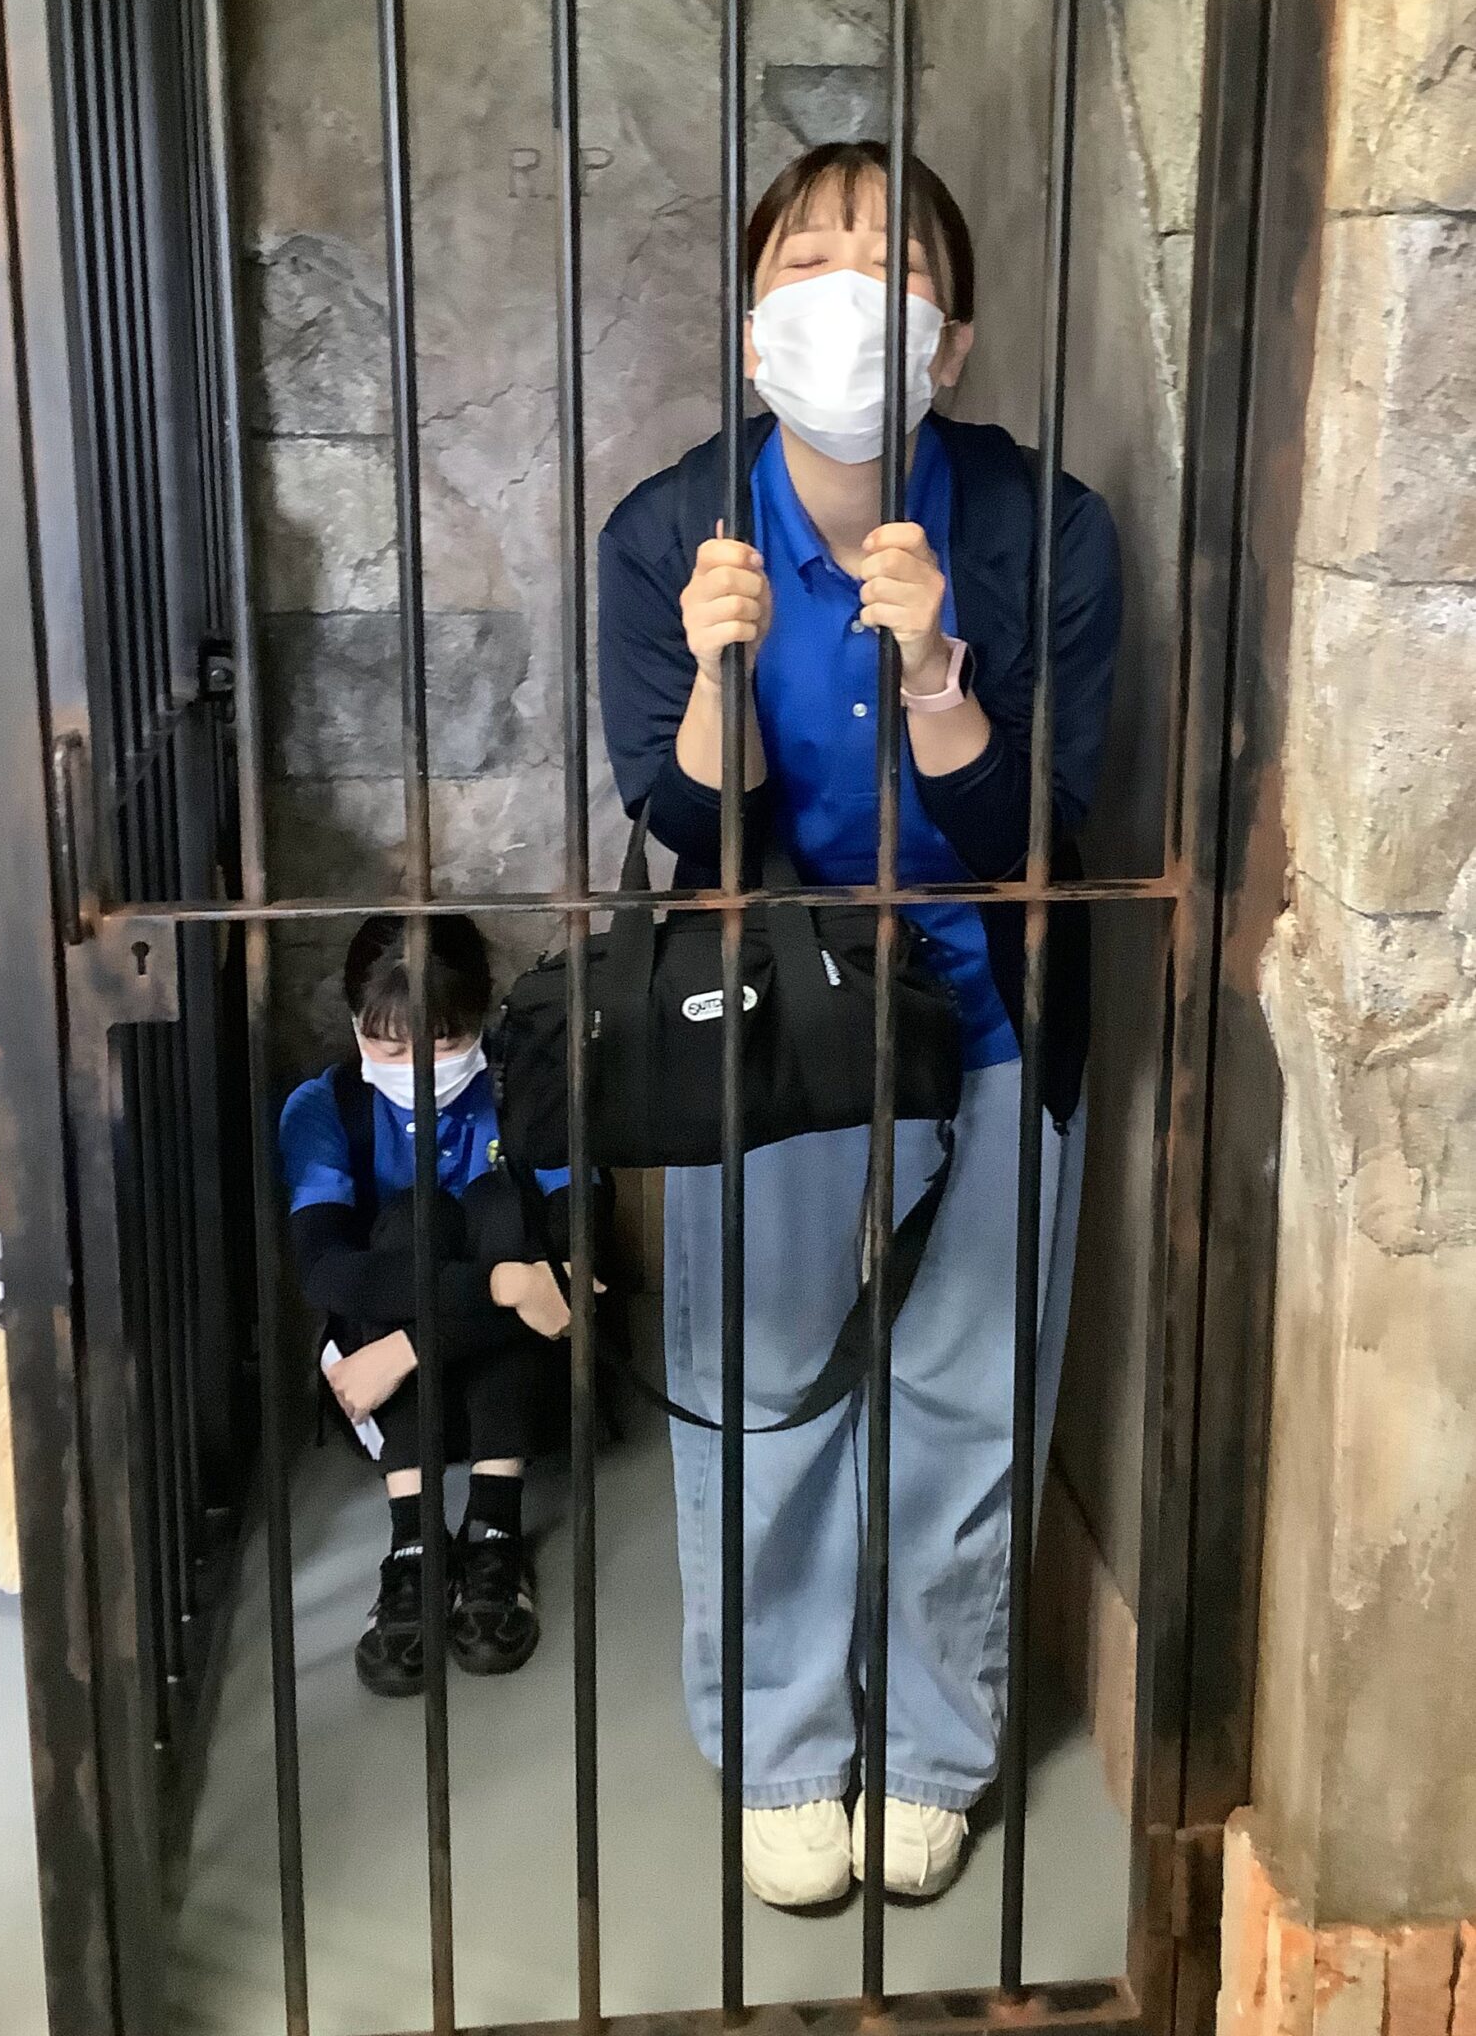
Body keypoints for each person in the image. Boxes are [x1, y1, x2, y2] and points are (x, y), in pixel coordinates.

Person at [596, 140, 1121, 1909]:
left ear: (949, 340)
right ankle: (784, 1749)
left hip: (992, 1005)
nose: (846, 291)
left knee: (969, 1391)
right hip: (773, 1029)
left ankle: (938, 1750)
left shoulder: (1045, 529)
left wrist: (939, 679)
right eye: (806, 259)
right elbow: (691, 831)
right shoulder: (669, 532)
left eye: (891, 262)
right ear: (753, 331)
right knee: (762, 1392)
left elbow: (1043, 832)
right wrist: (718, 674)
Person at [280, 912, 587, 1698]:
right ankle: (413, 1544)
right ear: (356, 1028)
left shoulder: (527, 1088)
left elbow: (575, 1262)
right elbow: (327, 1272)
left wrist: (409, 1347)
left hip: (498, 1380)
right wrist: (503, 1287)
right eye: (390, 1047)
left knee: (500, 1211)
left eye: (444, 1041)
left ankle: (495, 1528)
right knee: (410, 1223)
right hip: (390, 1386)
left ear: (482, 1018)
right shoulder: (324, 1108)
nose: (418, 1066)